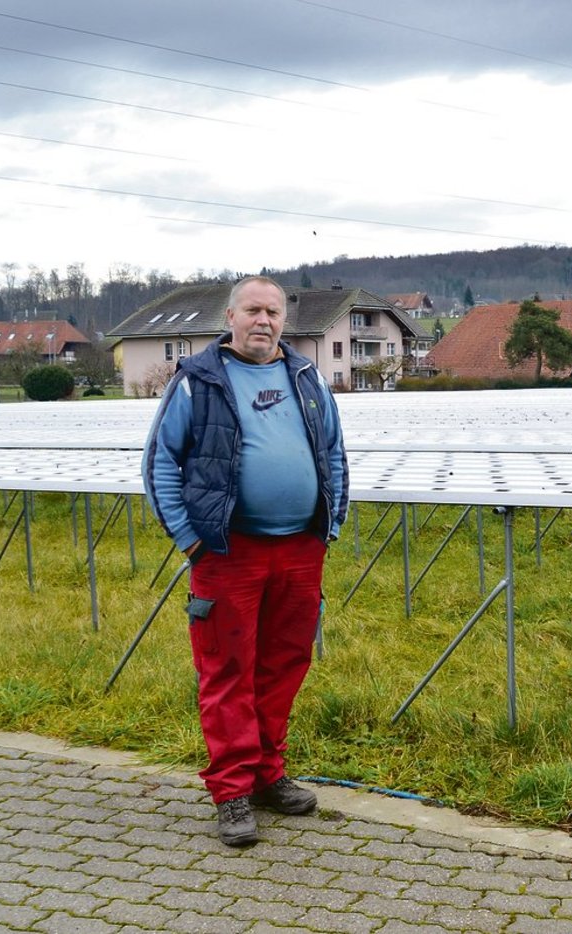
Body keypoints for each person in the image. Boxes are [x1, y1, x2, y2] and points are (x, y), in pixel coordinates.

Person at [142, 275, 348, 847]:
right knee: (227, 670)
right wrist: (191, 540)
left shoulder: (307, 378)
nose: (264, 320)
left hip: (300, 549)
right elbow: (161, 462)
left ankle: (267, 775)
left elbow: (333, 452)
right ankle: (231, 791)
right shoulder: (198, 381)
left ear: (284, 320)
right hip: (228, 552)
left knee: (284, 664)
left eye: (273, 312)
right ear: (230, 317)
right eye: (253, 310)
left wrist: (328, 526)